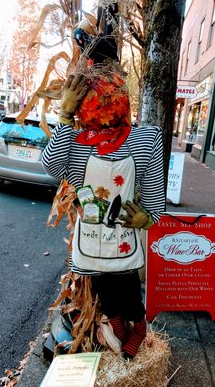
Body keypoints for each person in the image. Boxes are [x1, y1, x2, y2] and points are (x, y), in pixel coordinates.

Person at [42, 71, 165, 359]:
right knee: (101, 284)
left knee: (128, 287)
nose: (104, 103)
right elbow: (50, 166)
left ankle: (139, 326)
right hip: (91, 240)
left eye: (110, 96)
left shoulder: (146, 139)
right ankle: (118, 323)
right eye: (95, 98)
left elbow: (155, 203)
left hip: (123, 238)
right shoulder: (74, 142)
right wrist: (64, 115)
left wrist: (145, 219)